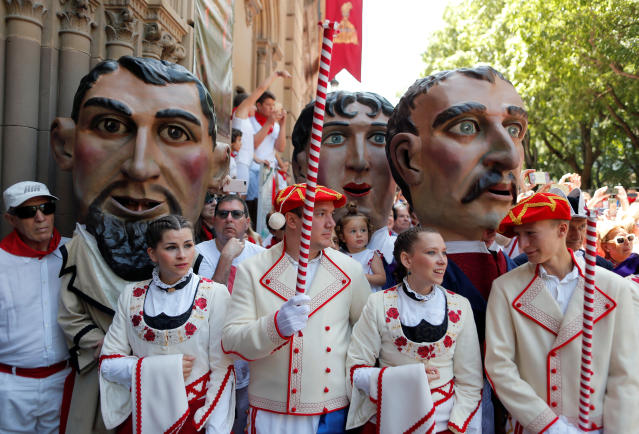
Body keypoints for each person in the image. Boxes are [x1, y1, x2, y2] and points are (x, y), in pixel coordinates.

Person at [51, 56, 225, 433]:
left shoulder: (213, 282)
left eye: (176, 133)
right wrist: (122, 359)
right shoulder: (75, 259)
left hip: (185, 405)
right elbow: (74, 319)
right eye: (111, 126)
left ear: (218, 166)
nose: (140, 166)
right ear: (65, 145)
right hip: (102, 396)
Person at [386, 65, 527, 434]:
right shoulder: (391, 282)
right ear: (408, 158)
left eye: (514, 130)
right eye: (467, 127)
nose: (509, 155)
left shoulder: (525, 270)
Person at [221, 183, 371, 433]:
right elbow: (231, 341)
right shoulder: (253, 270)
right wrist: (275, 326)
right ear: (291, 220)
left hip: (330, 412)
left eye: (331, 214)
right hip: (272, 414)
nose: (331, 223)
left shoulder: (351, 270)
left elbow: (368, 336)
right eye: (320, 214)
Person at [486, 192, 639, 432]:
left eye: (531, 233)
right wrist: (551, 427)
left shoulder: (614, 287)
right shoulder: (505, 288)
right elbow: (499, 367)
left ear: (562, 229)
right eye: (519, 235)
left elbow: (626, 373)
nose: (523, 244)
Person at [99, 215, 234, 433]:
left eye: (188, 245)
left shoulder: (214, 294)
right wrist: (160, 369)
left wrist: (215, 429)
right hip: (143, 415)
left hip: (196, 418)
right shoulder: (131, 295)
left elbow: (222, 369)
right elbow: (108, 364)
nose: (182, 255)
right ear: (152, 253)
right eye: (171, 247)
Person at [346, 227, 483, 433]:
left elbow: (470, 379)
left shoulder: (460, 305)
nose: (442, 260)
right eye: (431, 252)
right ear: (407, 260)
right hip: (391, 419)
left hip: (445, 424)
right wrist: (407, 377)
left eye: (444, 252)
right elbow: (355, 371)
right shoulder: (378, 303)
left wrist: (458, 424)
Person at [292, 91, 396, 262]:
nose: (360, 162)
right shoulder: (276, 265)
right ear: (300, 168)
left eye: (379, 137)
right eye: (336, 138)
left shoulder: (413, 261)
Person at [0, 181, 69, 433]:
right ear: (11, 219)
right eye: (28, 212)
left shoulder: (75, 251)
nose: (40, 218)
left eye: (46, 208)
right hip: (11, 387)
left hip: (63, 381)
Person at [195, 195, 264, 434]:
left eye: (236, 214)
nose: (229, 219)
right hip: (209, 349)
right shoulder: (196, 254)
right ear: (214, 220)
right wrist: (226, 256)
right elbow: (208, 303)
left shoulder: (261, 256)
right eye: (223, 214)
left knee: (242, 417)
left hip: (247, 352)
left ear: (246, 221)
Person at [512, 188, 614, 270]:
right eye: (569, 228)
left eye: (582, 226)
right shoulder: (518, 266)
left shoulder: (602, 266)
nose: (577, 236)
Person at [233, 70, 291, 186]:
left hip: (246, 163)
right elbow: (260, 89)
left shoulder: (245, 122)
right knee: (238, 197)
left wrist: (258, 160)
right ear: (244, 105)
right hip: (240, 164)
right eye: (252, 105)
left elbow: (247, 145)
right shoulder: (240, 115)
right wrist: (277, 74)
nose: (254, 107)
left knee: (242, 197)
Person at [335, 203, 386, 292]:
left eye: (363, 230)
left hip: (369, 299)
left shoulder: (371, 255)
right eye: (353, 231)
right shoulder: (341, 255)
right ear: (342, 237)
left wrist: (363, 276)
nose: (359, 235)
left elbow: (382, 279)